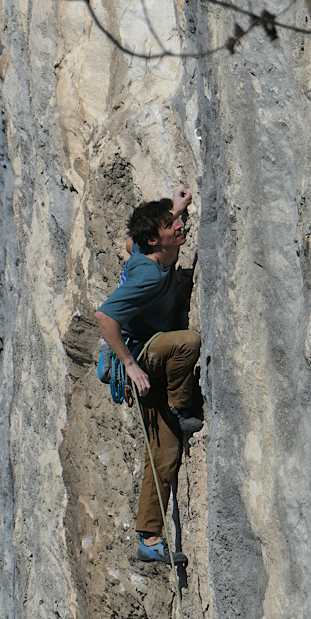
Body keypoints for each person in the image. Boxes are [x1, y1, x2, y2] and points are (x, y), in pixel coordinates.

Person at [95, 186, 202, 564]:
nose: (180, 226)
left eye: (176, 222)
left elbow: (130, 242)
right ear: (157, 239)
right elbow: (104, 317)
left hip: (149, 355)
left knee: (166, 452)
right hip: (143, 354)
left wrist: (175, 207)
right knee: (187, 342)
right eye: (172, 224)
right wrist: (129, 363)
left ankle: (149, 539)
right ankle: (181, 402)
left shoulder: (147, 251)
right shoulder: (149, 277)